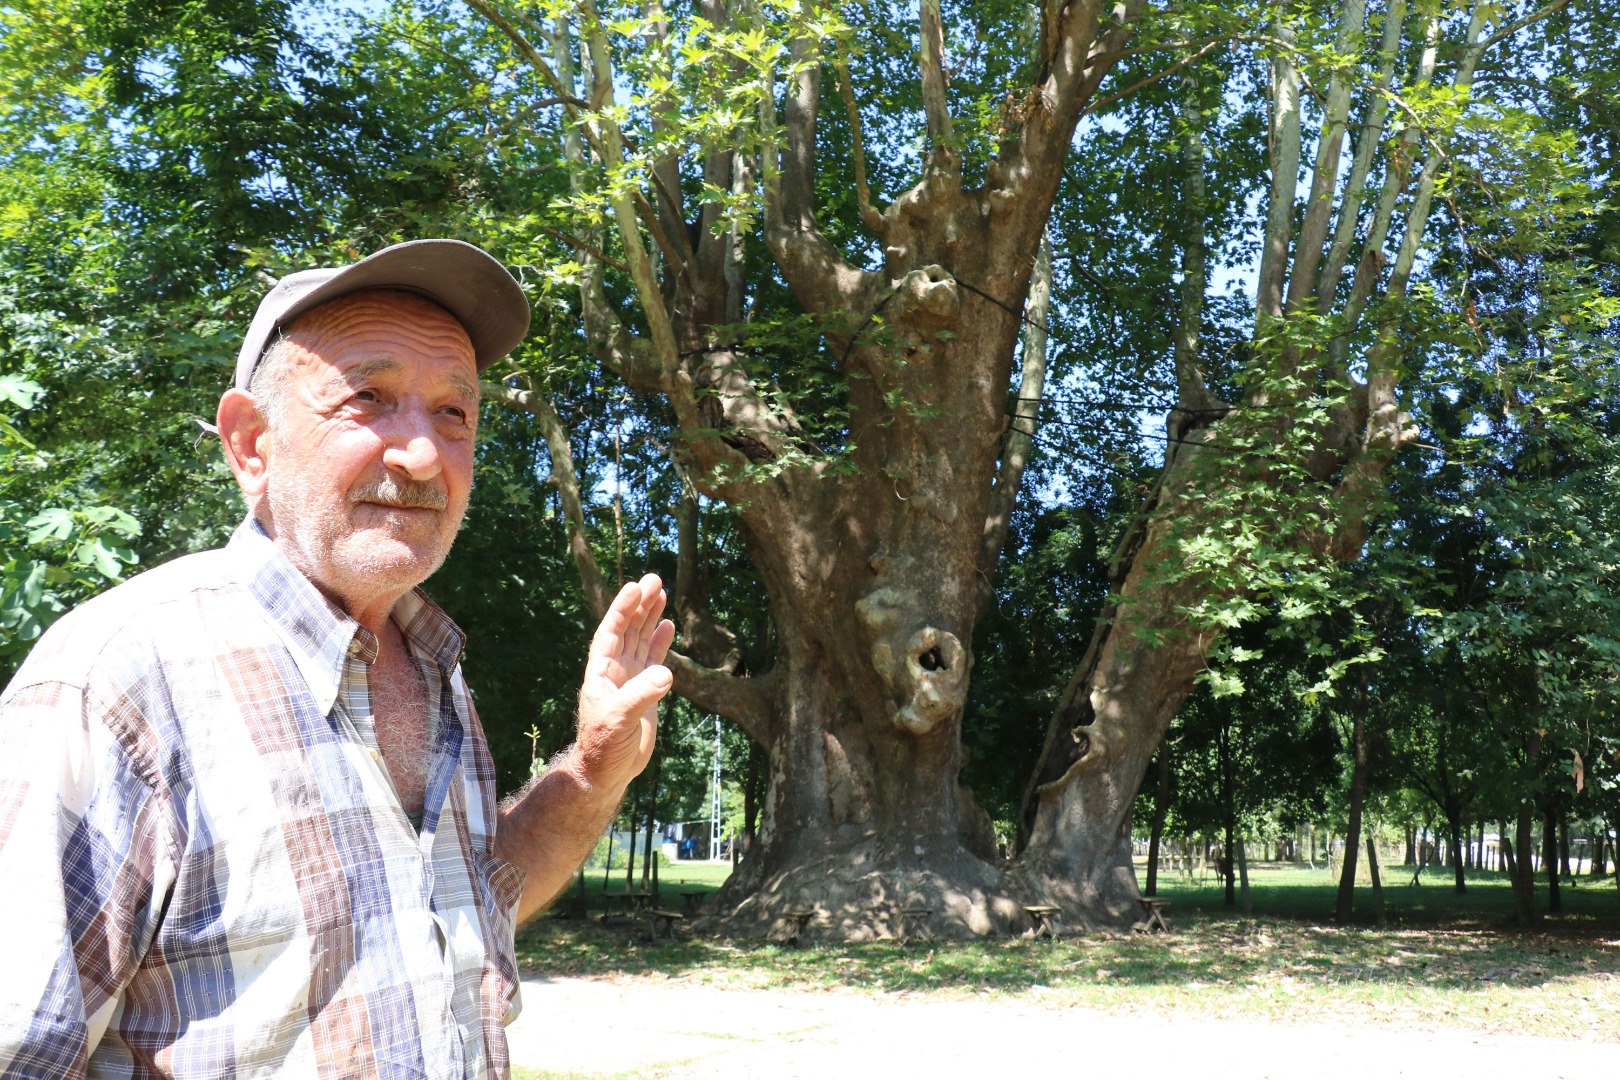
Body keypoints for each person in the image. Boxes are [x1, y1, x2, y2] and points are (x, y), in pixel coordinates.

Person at [0, 239, 675, 1078]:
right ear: (252, 443)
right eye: (369, 398)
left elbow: (459, 912)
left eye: (453, 413)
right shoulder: (122, 678)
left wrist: (597, 771)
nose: (423, 455)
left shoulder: (435, 667)